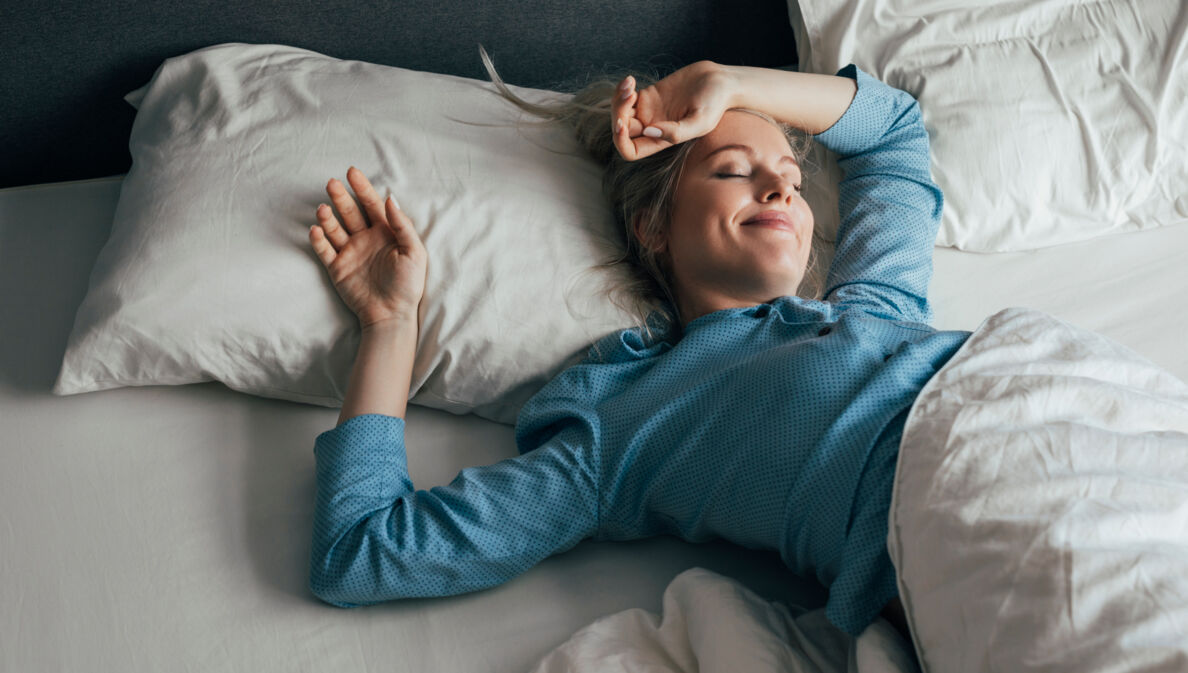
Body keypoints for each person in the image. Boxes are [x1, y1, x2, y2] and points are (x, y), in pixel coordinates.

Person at [305, 53, 969, 648]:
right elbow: (363, 552)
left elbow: (892, 131)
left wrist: (726, 81)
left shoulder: (878, 305)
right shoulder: (629, 422)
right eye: (734, 170)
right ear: (654, 226)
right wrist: (392, 326)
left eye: (792, 180)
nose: (781, 192)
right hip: (959, 518)